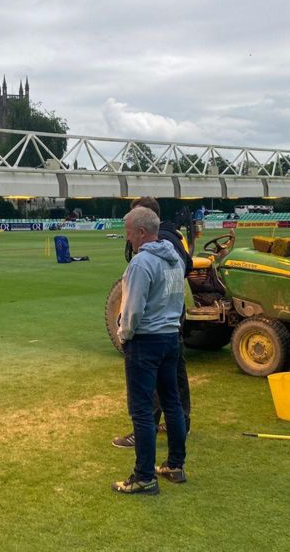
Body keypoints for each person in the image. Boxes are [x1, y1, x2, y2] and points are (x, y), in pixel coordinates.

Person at [112, 207, 188, 495]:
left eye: (129, 232)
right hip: (171, 338)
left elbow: (132, 310)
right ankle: (175, 465)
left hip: (145, 341)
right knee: (172, 404)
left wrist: (124, 336)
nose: (128, 238)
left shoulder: (141, 263)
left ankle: (144, 477)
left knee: (142, 411)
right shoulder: (174, 258)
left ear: (141, 232)